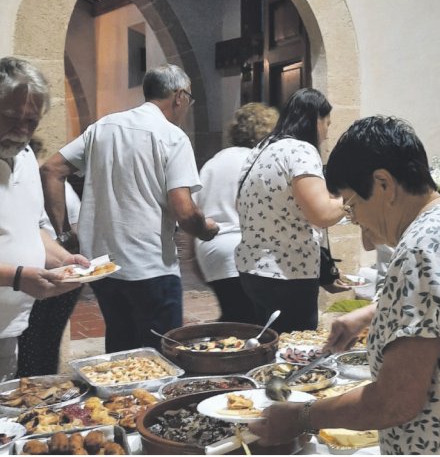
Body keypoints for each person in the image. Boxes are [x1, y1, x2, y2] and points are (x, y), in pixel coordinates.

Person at [250, 116, 440, 454]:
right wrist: (372, 313)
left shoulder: (421, 248)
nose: (361, 229)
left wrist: (301, 417)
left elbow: (396, 400)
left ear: (383, 184)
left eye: (353, 206)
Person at [40, 64, 219, 354]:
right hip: (150, 267)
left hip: (104, 266)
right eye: (189, 99)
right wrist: (207, 229)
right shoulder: (172, 136)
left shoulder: (102, 127)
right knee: (162, 354)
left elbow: (51, 169)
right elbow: (184, 211)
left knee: (121, 348)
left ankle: (119, 398)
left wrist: (64, 234)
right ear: (178, 96)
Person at [0, 56, 87, 380]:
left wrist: (66, 260)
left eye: (32, 121)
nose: (22, 130)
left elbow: (31, 228)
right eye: (11, 117)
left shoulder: (22, 157)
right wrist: (18, 277)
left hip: (10, 326)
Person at [235, 88, 344, 332]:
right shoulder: (300, 150)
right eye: (327, 123)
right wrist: (351, 199)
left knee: (269, 348)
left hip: (253, 269)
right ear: (316, 119)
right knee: (296, 355)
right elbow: (322, 214)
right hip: (287, 274)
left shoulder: (260, 149)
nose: (326, 134)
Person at [193, 103, 277, 324]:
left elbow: (196, 209)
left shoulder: (215, 161)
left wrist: (193, 257)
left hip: (211, 251)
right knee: (254, 323)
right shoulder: (258, 160)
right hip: (244, 251)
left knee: (234, 315)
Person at [16, 137, 84, 377]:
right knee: (38, 342)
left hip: (48, 272)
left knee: (37, 342)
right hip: (30, 276)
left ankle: (38, 388)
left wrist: (66, 257)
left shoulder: (37, 182)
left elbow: (37, 228)